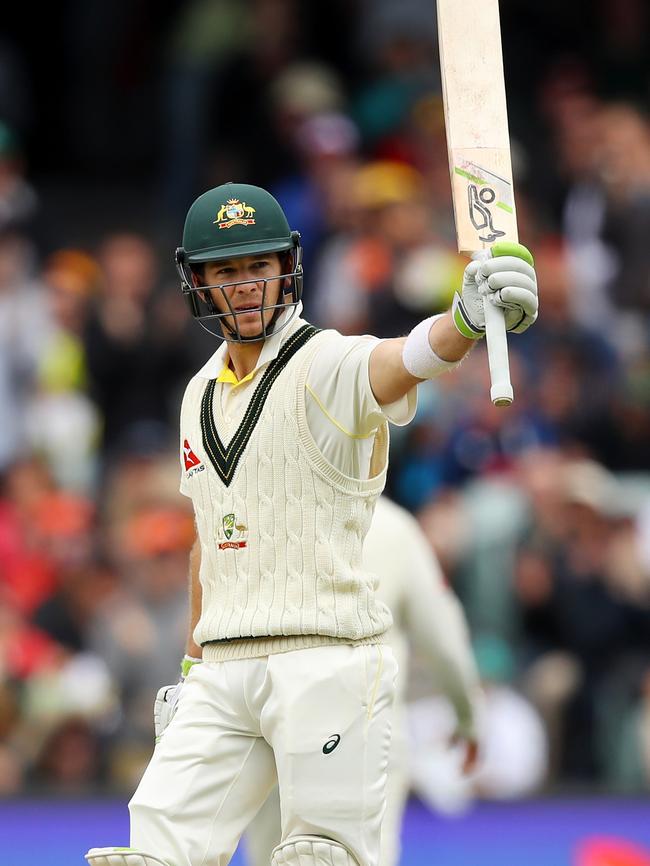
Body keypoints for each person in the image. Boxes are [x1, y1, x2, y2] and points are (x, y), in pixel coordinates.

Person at [86, 181, 537, 866]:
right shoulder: (197, 394)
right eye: (226, 270)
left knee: (317, 855)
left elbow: (401, 358)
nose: (243, 285)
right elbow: (210, 538)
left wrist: (465, 320)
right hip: (223, 667)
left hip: (324, 656)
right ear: (199, 281)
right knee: (153, 852)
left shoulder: (324, 362)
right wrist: (191, 665)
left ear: (285, 269)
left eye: (257, 266)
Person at [242, 494, 481, 866]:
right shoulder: (396, 526)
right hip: (365, 728)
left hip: (272, 727)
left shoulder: (261, 511)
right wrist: (469, 717)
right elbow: (443, 640)